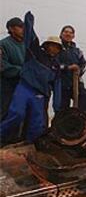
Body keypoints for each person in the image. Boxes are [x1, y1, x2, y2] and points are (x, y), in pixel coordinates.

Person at [0, 11, 62, 143]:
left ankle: (30, 146)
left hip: (40, 94)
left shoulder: (56, 66)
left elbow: (57, 87)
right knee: (16, 114)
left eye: (57, 46)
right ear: (46, 46)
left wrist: (57, 108)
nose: (54, 48)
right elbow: (32, 38)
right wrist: (29, 21)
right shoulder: (35, 53)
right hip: (24, 88)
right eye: (51, 45)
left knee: (37, 123)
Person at [58, 25, 86, 118]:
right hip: (60, 83)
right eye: (66, 32)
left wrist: (79, 70)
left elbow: (83, 63)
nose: (68, 34)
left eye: (71, 33)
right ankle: (62, 128)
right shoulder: (56, 48)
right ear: (61, 34)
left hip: (75, 82)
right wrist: (67, 67)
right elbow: (54, 65)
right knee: (62, 108)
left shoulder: (77, 51)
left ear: (73, 36)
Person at [0, 17, 25, 120]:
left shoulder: (26, 45)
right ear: (11, 29)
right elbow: (2, 66)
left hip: (23, 85)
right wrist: (22, 71)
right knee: (5, 112)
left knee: (20, 114)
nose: (23, 29)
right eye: (20, 27)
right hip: (7, 86)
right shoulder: (3, 44)